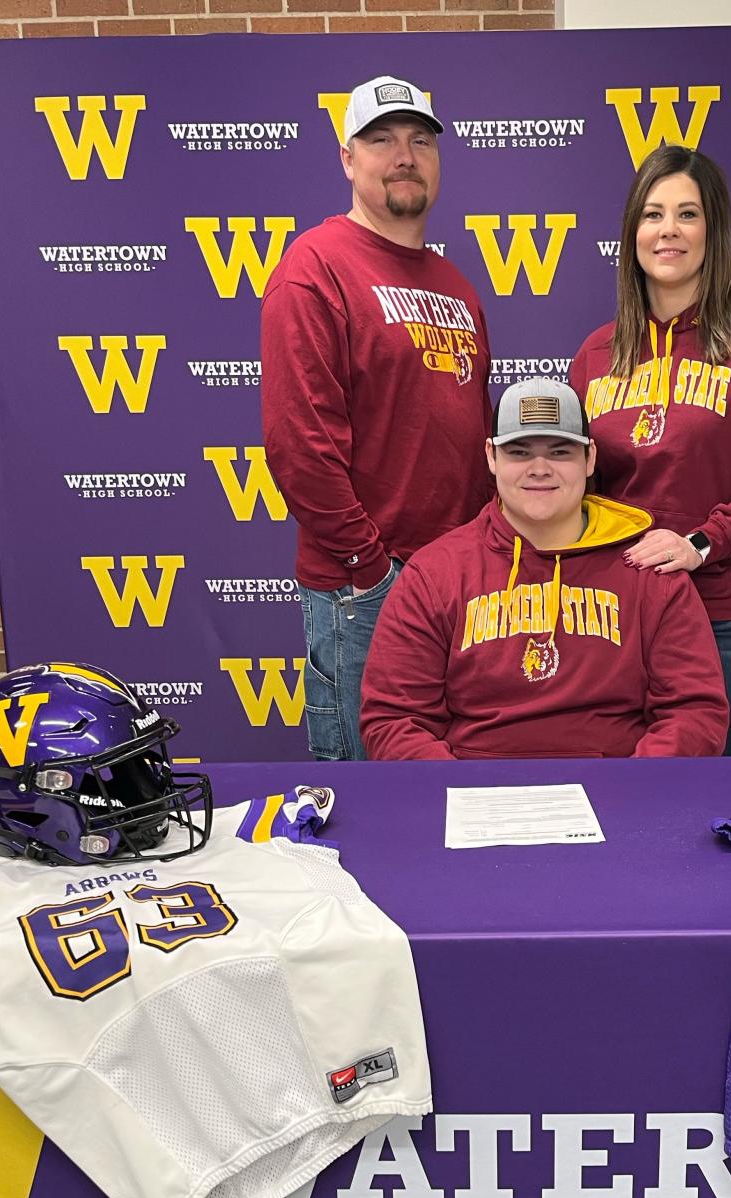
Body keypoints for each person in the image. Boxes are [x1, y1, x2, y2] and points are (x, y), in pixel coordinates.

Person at [261, 75, 493, 761]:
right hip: (366, 591)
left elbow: (475, 435)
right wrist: (369, 566)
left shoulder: (454, 284)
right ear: (346, 158)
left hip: (455, 583)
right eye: (382, 139)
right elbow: (298, 443)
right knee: (365, 800)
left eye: (421, 140)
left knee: (447, 787)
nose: (404, 155)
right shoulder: (316, 267)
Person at [569, 144, 731, 756]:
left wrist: (699, 545)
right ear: (632, 233)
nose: (668, 231)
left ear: (715, 229)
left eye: (687, 214)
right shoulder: (597, 353)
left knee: (696, 794)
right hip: (612, 610)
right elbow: (574, 489)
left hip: (717, 609)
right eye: (652, 214)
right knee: (615, 784)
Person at [358, 379, 729, 760]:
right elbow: (395, 720)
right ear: (491, 456)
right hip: (477, 797)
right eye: (519, 452)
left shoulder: (647, 568)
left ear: (589, 458)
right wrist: (466, 797)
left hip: (618, 795)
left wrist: (629, 791)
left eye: (559, 451)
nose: (539, 469)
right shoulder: (435, 574)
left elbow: (694, 713)